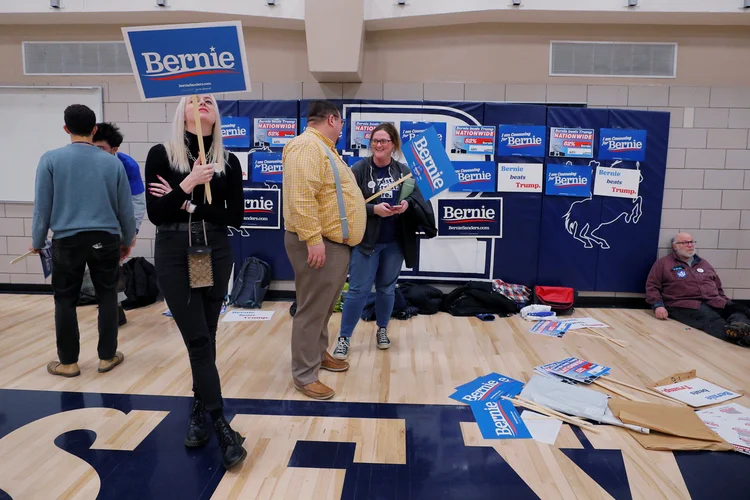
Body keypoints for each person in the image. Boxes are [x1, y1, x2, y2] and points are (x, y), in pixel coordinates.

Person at [145, 94, 246, 469]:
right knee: (197, 337)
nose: (202, 103)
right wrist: (188, 182)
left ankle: (198, 407)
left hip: (215, 249)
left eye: (209, 100)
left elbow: (233, 215)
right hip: (174, 249)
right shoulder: (161, 154)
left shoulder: (229, 161)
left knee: (208, 332)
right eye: (194, 99)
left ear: (217, 114)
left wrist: (186, 203)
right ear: (181, 112)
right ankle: (220, 423)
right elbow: (156, 213)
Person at [31, 104, 135, 378]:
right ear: (94, 129)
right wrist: (127, 239)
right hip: (106, 238)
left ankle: (68, 363)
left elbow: (42, 207)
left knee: (65, 300)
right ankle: (107, 357)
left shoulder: (50, 160)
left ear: (66, 129)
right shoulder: (113, 162)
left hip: (67, 240)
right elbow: (126, 208)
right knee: (107, 295)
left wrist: (37, 240)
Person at [282, 100, 367, 400]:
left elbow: (327, 197)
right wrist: (313, 239)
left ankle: (318, 354)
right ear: (332, 119)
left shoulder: (322, 149)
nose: (342, 129)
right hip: (319, 243)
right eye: (341, 123)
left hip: (331, 243)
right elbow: (301, 196)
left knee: (323, 306)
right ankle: (304, 375)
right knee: (311, 309)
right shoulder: (307, 146)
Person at [332, 123, 434, 360]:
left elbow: (418, 202)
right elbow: (345, 204)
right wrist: (372, 209)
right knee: (358, 290)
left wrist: (407, 206)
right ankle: (344, 338)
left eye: (384, 141)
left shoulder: (404, 171)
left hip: (395, 243)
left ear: (393, 145)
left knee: (387, 289)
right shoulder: (358, 169)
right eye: (375, 141)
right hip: (365, 242)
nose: (379, 145)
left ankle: (382, 330)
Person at [646, 232, 750, 346]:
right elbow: (652, 287)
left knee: (739, 310)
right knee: (711, 319)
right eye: (685, 243)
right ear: (674, 246)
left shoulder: (703, 263)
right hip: (684, 304)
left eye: (691, 242)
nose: (690, 245)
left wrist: (725, 302)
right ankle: (740, 338)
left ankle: (740, 328)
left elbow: (717, 286)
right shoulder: (663, 264)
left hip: (713, 300)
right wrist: (658, 306)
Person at [91, 122, 146, 325]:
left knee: (115, 267)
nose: (94, 153)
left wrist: (132, 232)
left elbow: (137, 201)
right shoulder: (81, 163)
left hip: (114, 225)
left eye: (101, 149)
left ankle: (114, 309)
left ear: (114, 149)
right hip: (87, 224)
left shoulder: (127, 165)